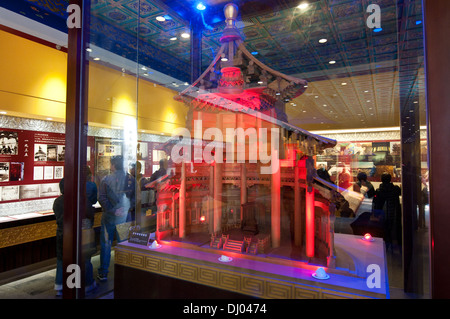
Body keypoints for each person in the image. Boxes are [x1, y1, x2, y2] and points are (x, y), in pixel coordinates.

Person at [53, 171, 98, 296]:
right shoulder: (81, 199)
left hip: (62, 234)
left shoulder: (57, 201)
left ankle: (60, 285)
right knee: (85, 259)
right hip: (81, 233)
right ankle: (87, 284)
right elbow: (89, 213)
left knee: (62, 259)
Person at [97, 156, 135, 282]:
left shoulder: (106, 179)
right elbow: (136, 198)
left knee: (106, 244)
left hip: (109, 217)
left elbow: (101, 198)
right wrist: (126, 208)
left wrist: (113, 210)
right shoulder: (131, 179)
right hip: (125, 216)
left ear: (113, 165)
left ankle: (103, 272)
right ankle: (124, 270)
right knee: (124, 243)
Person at [373, 172, 402, 251]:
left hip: (383, 214)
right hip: (395, 214)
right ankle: (397, 245)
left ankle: (386, 244)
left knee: (385, 230)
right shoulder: (395, 189)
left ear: (381, 180)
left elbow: (377, 204)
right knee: (395, 230)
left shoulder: (379, 191)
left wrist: (375, 214)